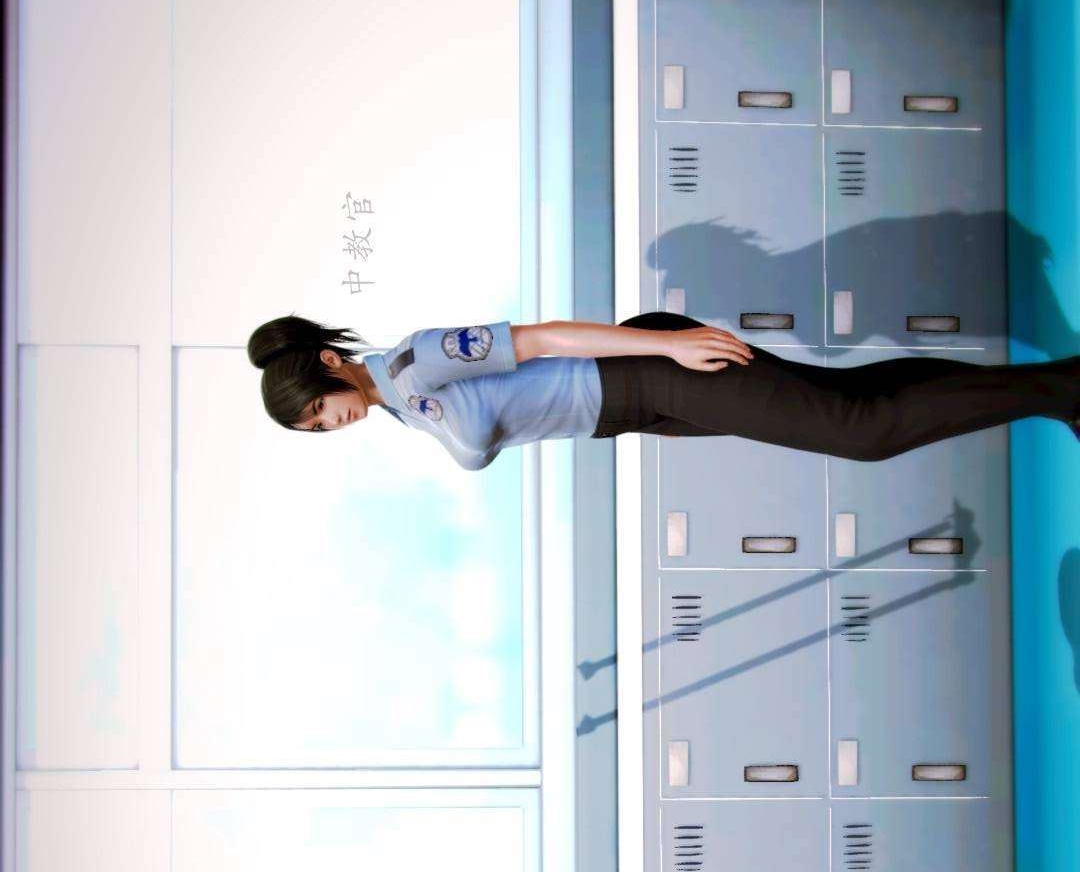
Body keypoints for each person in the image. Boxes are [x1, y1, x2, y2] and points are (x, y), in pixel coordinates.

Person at [246, 310, 1080, 472]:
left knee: (861, 432)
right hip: (637, 410)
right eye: (317, 430)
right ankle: (1057, 387)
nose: (330, 424)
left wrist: (667, 346)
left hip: (640, 371)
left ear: (328, 362)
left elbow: (543, 338)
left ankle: (1063, 390)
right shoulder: (400, 407)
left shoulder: (414, 364)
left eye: (318, 408)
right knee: (848, 400)